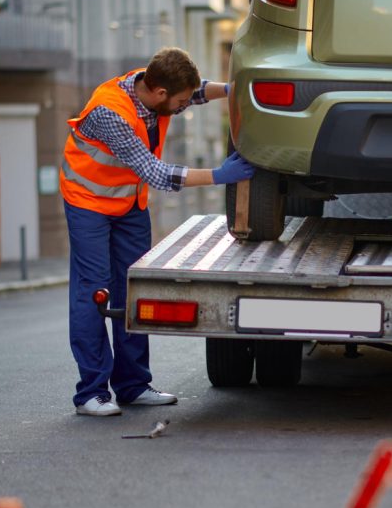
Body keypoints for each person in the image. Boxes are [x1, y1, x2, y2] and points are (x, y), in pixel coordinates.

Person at [60, 47, 254, 417]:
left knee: (133, 289)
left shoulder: (152, 85)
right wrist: (218, 175)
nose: (184, 107)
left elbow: (194, 92)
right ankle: (91, 392)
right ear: (160, 94)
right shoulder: (109, 113)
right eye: (180, 102)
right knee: (94, 293)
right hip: (89, 202)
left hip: (129, 203)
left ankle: (133, 385)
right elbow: (156, 172)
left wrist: (231, 89)